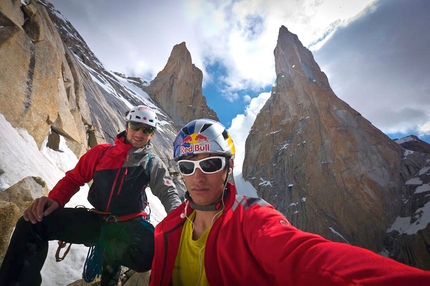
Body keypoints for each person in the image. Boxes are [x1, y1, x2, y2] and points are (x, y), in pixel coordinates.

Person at [149, 118, 430, 286]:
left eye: (210, 163)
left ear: (228, 168)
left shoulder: (251, 217)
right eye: (187, 167)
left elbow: (303, 257)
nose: (198, 176)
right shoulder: (168, 229)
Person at [0, 105, 182, 286]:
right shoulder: (101, 153)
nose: (140, 133)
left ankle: (111, 255)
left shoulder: (151, 162)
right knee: (32, 223)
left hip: (129, 225)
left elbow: (168, 193)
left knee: (152, 250)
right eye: (135, 126)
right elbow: (74, 179)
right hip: (97, 221)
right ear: (127, 125)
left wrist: (179, 222)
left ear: (152, 134)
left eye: (147, 129)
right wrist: (55, 200)